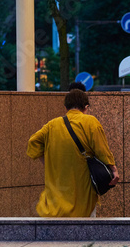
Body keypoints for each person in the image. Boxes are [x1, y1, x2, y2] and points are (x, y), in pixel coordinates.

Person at [27, 89, 119, 217]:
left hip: (57, 195)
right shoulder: (90, 122)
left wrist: (47, 163)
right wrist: (113, 169)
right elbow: (102, 150)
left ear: (66, 107)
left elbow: (33, 142)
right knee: (84, 229)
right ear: (86, 107)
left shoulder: (52, 125)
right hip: (82, 190)